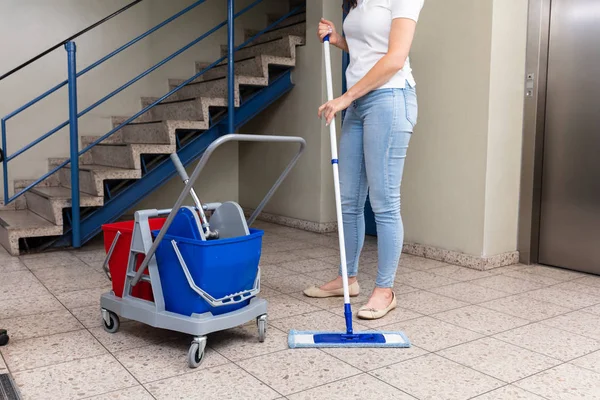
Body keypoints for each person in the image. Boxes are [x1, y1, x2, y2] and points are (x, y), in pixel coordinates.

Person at [303, 0, 424, 320]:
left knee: (383, 201)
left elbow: (394, 58)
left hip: (389, 98)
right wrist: (338, 39)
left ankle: (385, 290)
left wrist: (345, 97)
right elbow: (367, 49)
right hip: (358, 105)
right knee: (348, 200)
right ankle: (348, 278)